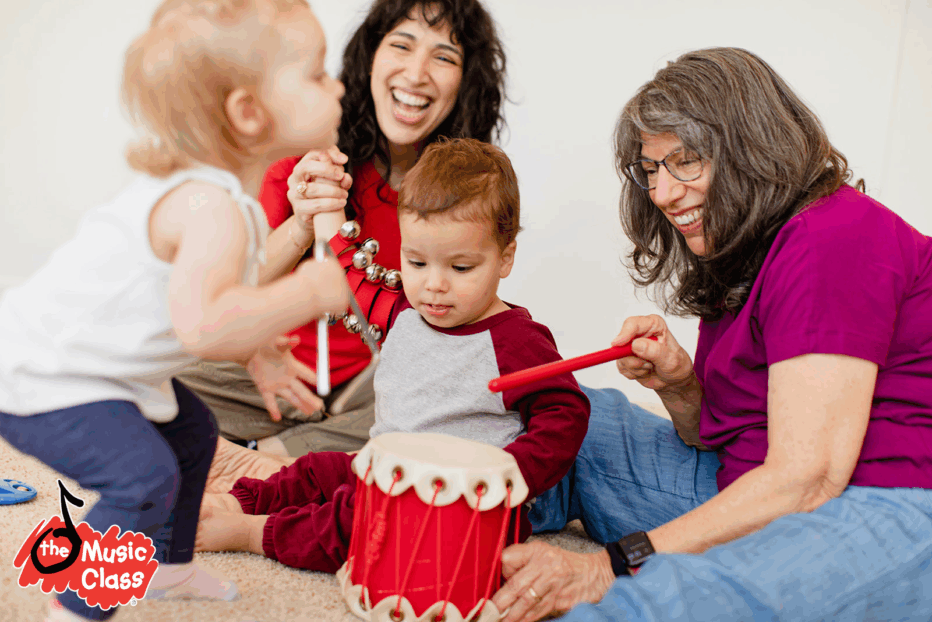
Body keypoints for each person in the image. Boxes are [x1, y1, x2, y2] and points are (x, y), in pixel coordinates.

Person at [490, 47, 932, 622]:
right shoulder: (746, 248)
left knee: (668, 598)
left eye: (685, 161)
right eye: (651, 169)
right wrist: (680, 389)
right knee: (573, 417)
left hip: (885, 505)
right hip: (758, 486)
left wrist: (607, 566)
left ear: (753, 147)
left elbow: (808, 479)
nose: (663, 193)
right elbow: (736, 436)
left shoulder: (833, 237)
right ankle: (421, 515)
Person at [0, 1, 351, 620]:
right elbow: (204, 323)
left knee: (192, 435)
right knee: (142, 480)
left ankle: (166, 566)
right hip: (45, 374)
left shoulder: (226, 201)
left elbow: (204, 301)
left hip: (105, 370)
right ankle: (76, 608)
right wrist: (311, 292)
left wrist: (261, 350)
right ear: (248, 112)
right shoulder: (205, 206)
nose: (339, 85)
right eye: (318, 73)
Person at [192, 138, 590, 573]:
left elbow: (565, 412)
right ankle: (234, 501)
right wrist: (326, 210)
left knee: (351, 522)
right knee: (315, 471)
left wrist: (511, 474)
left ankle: (249, 533)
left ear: (505, 258)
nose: (434, 285)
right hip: (384, 468)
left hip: (458, 508)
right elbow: (351, 269)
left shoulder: (517, 341)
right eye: (417, 263)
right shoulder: (404, 311)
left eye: (460, 268)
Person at [178, 0, 508, 461]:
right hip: (274, 376)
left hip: (371, 393)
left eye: (444, 56)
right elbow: (233, 292)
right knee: (167, 361)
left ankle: (266, 455)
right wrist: (301, 223)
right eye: (402, 45)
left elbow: (452, 330)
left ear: (466, 81)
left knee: (465, 389)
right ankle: (305, 457)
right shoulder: (306, 151)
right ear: (370, 56)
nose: (416, 74)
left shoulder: (466, 192)